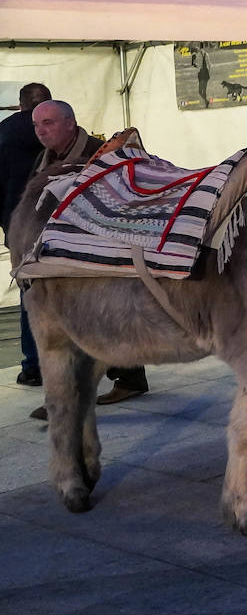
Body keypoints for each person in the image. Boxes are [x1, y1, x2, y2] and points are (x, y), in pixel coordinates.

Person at [27, 100, 148, 419]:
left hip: (102, 248)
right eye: (37, 125)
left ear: (70, 122)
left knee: (104, 320)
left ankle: (108, 383)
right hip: (66, 250)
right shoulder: (45, 158)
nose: (40, 131)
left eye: (48, 123)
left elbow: (126, 196)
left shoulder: (101, 152)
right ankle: (100, 386)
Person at [1, 83, 52, 386]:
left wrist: (7, 225)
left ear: (20, 104)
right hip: (56, 221)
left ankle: (33, 365)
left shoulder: (4, 133)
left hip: (19, 224)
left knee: (29, 291)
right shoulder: (62, 127)